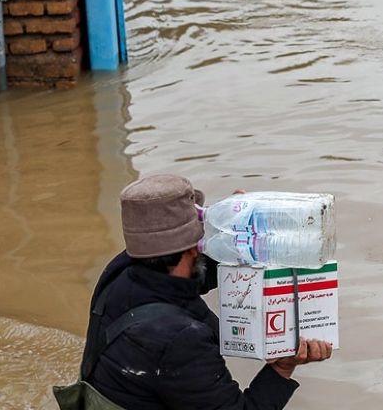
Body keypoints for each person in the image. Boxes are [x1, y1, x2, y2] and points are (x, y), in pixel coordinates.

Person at [57, 174, 333, 410]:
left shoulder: (122, 270)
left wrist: (236, 227)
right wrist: (281, 368)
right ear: (195, 246)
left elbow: (194, 273)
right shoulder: (180, 339)